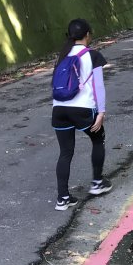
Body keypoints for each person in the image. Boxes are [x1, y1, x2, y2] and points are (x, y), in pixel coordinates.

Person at [51, 19, 112, 210]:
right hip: (83, 108)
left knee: (65, 152)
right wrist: (101, 112)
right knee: (97, 140)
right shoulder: (92, 55)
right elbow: (98, 87)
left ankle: (62, 199)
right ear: (87, 35)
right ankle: (97, 183)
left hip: (59, 108)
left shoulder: (62, 56)